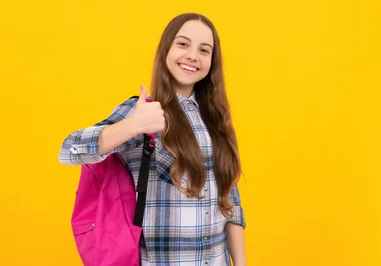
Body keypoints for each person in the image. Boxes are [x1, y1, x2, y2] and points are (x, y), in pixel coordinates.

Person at [59, 12, 246, 266]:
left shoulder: (215, 119)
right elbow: (69, 150)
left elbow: (230, 202)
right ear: (165, 49)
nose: (193, 55)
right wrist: (132, 126)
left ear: (212, 62)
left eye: (204, 50)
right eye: (183, 44)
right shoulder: (143, 111)